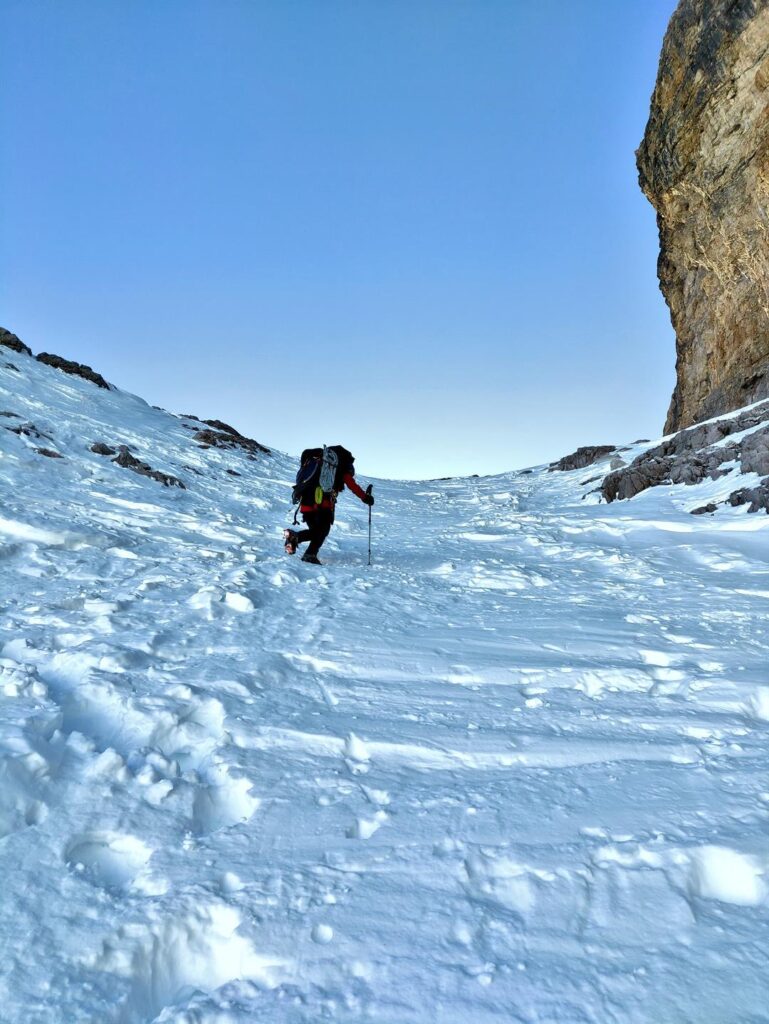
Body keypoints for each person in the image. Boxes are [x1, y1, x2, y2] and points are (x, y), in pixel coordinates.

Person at [284, 446, 374, 565]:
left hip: (305, 503)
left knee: (316, 532)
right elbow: (352, 485)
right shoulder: (340, 467)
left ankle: (294, 538)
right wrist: (366, 497)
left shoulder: (316, 462)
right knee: (322, 531)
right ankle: (309, 554)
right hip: (322, 505)